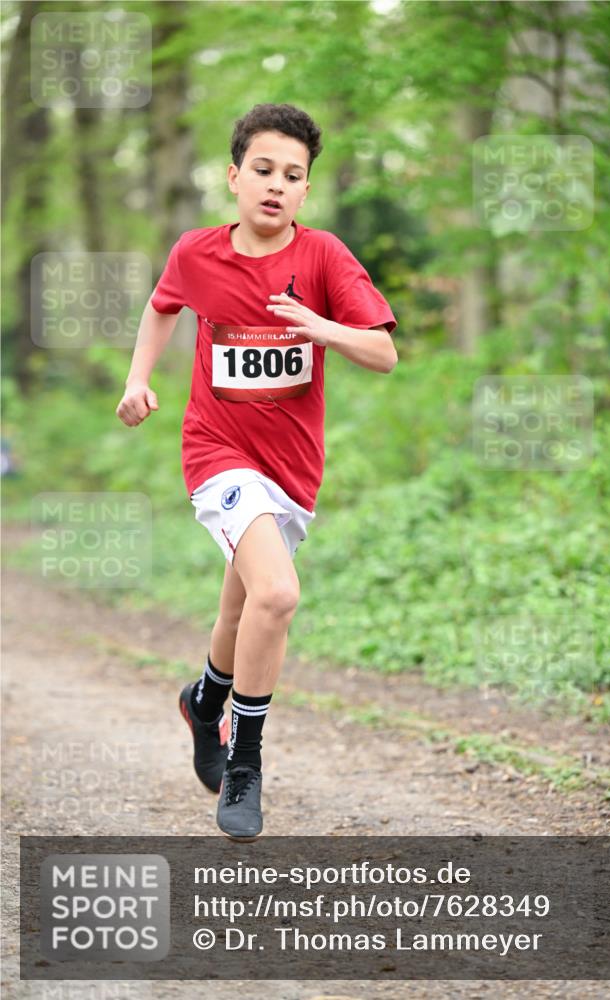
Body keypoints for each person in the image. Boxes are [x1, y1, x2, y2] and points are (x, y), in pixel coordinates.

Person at [116, 103, 398, 840]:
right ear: (234, 176)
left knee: (242, 614)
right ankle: (246, 763)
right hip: (217, 452)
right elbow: (161, 306)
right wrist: (138, 379)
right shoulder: (196, 253)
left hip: (293, 469)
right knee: (276, 594)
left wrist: (324, 328)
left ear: (306, 189)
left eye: (293, 175)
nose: (277, 185)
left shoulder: (324, 257)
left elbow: (383, 353)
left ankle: (204, 702)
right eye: (264, 170)